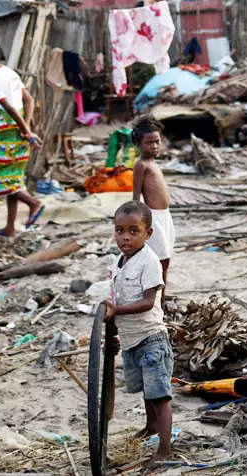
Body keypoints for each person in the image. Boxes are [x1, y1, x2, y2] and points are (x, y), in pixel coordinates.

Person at [104, 201, 174, 465]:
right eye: (120, 230)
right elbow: (115, 298)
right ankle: (151, 427)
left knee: (159, 395)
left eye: (133, 231)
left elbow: (147, 301)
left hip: (151, 337)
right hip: (132, 339)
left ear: (148, 234)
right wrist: (113, 330)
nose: (125, 237)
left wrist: (116, 311)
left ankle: (165, 450)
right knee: (147, 390)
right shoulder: (118, 262)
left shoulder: (150, 262)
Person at [0, 38, 43, 237]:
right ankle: (10, 228)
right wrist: (27, 128)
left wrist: (27, 131)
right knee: (11, 178)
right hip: (19, 130)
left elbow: (9, 108)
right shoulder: (10, 73)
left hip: (6, 133)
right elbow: (28, 100)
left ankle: (34, 203)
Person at [131, 118, 173, 303]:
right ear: (139, 144)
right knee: (160, 261)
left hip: (165, 217)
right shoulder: (141, 165)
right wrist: (138, 222)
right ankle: (156, 301)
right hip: (153, 217)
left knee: (166, 259)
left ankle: (160, 299)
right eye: (149, 142)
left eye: (157, 141)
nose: (154, 146)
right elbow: (136, 195)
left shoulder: (154, 164)